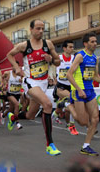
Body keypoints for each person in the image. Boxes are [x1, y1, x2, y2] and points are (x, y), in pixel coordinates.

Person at [6, 19, 61, 156]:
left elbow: (58, 62)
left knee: (30, 115)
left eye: (43, 28)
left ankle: (13, 118)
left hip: (43, 83)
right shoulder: (24, 45)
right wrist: (17, 67)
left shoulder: (48, 44)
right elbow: (9, 55)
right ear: (31, 29)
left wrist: (51, 61)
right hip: (30, 81)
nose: (41, 31)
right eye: (38, 28)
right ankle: (50, 145)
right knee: (48, 104)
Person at [67, 32, 100, 156]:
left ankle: (86, 146)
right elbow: (69, 74)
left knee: (95, 119)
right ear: (85, 43)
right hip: (78, 90)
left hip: (90, 90)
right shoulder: (80, 56)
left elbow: (95, 77)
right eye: (92, 41)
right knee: (82, 121)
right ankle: (68, 106)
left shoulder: (96, 58)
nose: (95, 43)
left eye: (96, 41)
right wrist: (79, 90)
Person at [52, 39, 79, 135]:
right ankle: (71, 125)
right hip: (60, 85)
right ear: (64, 48)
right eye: (70, 47)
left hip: (71, 85)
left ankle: (57, 113)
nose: (72, 49)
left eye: (73, 47)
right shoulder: (58, 58)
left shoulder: (74, 58)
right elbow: (50, 66)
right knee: (71, 101)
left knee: (67, 108)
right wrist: (52, 78)